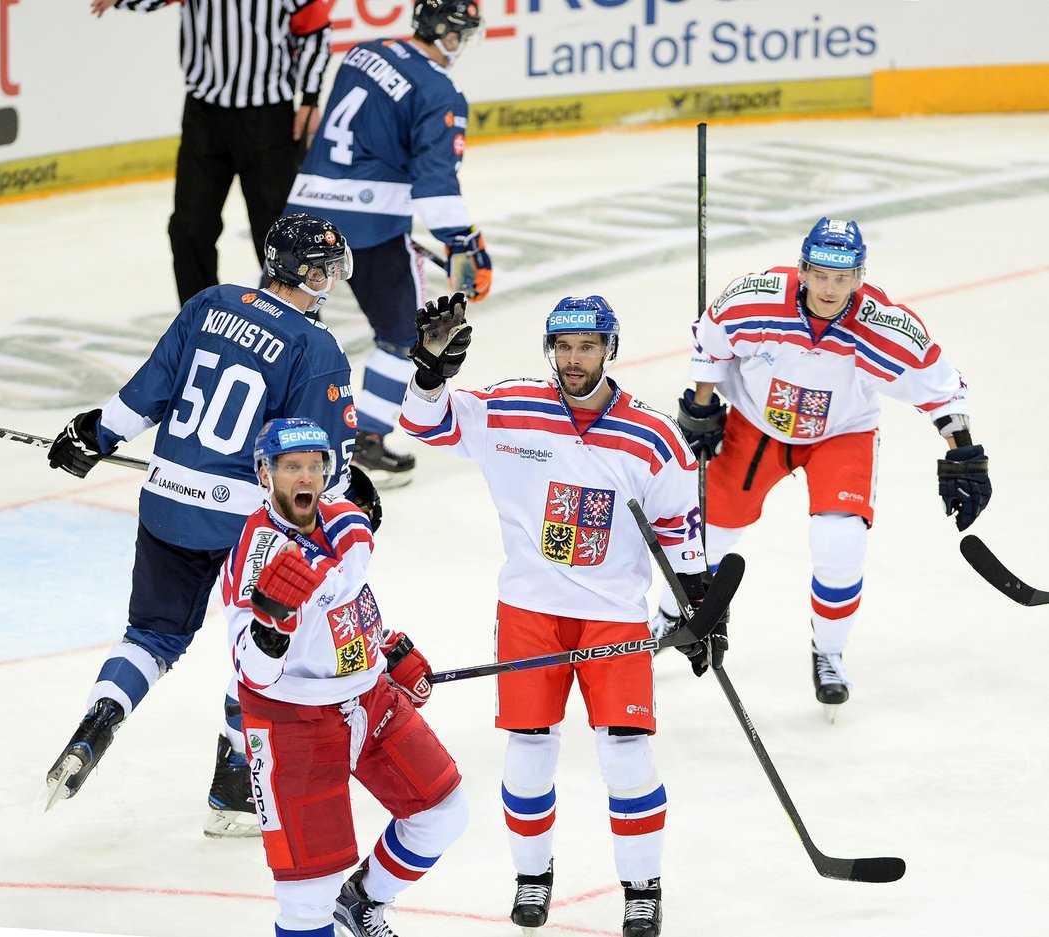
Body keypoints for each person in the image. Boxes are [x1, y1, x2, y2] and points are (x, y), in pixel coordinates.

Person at [399, 293, 725, 937]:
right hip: (529, 611)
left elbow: (682, 542)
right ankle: (531, 876)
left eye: (587, 347)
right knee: (527, 754)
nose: (573, 360)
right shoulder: (510, 408)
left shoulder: (655, 437)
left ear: (610, 349)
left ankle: (641, 887)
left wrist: (696, 610)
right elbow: (423, 424)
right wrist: (430, 371)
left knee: (628, 756)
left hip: (613, 619)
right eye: (564, 347)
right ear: (550, 349)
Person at [44, 213, 373, 839]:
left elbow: (144, 395)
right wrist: (355, 491)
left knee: (150, 636)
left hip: (164, 497)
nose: (332, 279)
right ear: (304, 271)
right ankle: (234, 787)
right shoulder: (316, 349)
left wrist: (92, 435)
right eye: (326, 268)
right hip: (244, 526)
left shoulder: (210, 302)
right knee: (266, 641)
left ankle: (101, 716)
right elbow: (316, 465)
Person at [663, 216, 992, 715]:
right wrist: (702, 405)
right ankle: (669, 616)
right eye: (820, 274)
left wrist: (963, 453)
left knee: (840, 541)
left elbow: (941, 388)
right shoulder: (756, 298)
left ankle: (829, 652)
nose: (830, 288)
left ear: (859, 276)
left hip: (841, 433)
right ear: (803, 269)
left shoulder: (883, 324)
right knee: (709, 533)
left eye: (842, 277)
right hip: (756, 423)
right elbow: (712, 340)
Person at [223, 417, 467, 937]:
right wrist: (272, 628)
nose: (305, 475)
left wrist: (385, 646)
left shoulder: (346, 523)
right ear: (265, 475)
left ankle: (362, 902)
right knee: (307, 898)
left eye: (314, 465)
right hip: (292, 722)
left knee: (443, 813)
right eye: (291, 467)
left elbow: (348, 597)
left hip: (368, 698)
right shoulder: (258, 556)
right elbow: (252, 673)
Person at [283, 0, 492, 485]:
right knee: (402, 335)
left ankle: (235, 434)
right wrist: (463, 242)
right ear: (447, 33)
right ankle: (367, 442)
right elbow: (435, 184)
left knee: (270, 327)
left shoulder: (362, 52)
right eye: (464, 33)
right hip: (373, 227)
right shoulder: (440, 91)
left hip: (305, 209)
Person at [90, 0, 333, 305]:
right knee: (190, 227)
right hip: (204, 115)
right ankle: (199, 318)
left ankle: (298, 325)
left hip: (269, 118)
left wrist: (309, 98)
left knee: (281, 233)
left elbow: (315, 30)